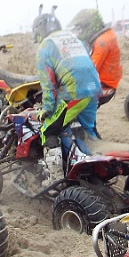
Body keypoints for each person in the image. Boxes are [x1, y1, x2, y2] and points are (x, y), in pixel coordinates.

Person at [35, 25, 102, 182]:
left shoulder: (44, 47)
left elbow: (48, 84)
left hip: (74, 92)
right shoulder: (73, 39)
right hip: (93, 88)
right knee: (89, 130)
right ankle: (100, 168)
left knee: (49, 131)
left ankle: (55, 179)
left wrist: (47, 108)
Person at [68, 8, 121, 105]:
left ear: (90, 26)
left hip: (103, 86)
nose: (81, 32)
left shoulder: (102, 42)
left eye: (82, 28)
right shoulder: (107, 35)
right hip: (106, 83)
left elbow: (90, 70)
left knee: (66, 103)